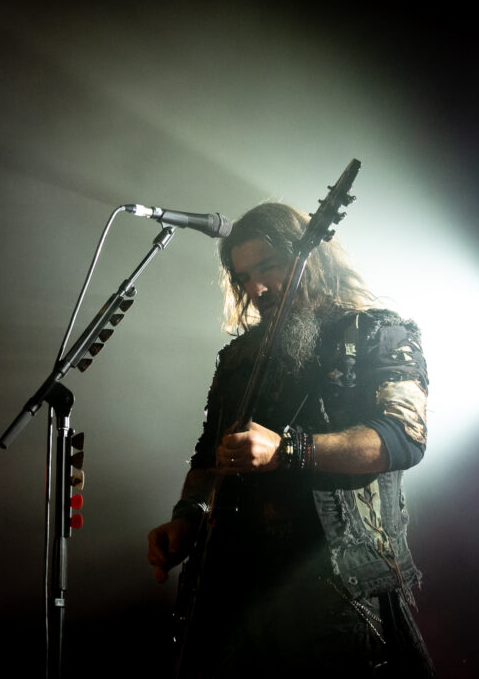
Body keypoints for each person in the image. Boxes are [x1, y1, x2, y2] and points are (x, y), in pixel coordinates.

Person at [147, 203, 434, 678]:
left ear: (312, 258)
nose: (256, 289)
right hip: (236, 588)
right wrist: (188, 517)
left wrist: (289, 450)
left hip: (338, 588)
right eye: (243, 278)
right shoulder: (239, 357)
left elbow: (403, 437)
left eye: (268, 267)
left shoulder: (379, 333)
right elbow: (208, 456)